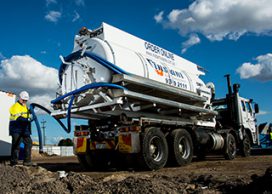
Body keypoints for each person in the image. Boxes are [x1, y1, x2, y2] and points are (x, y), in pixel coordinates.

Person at [9, 91, 34, 166]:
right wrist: (28, 119)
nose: (24, 101)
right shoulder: (15, 106)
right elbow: (18, 118)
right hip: (16, 128)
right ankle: (14, 162)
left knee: (29, 143)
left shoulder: (25, 107)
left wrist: (30, 113)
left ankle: (27, 161)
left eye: (26, 100)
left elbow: (27, 117)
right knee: (16, 145)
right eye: (23, 100)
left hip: (24, 128)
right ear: (19, 98)